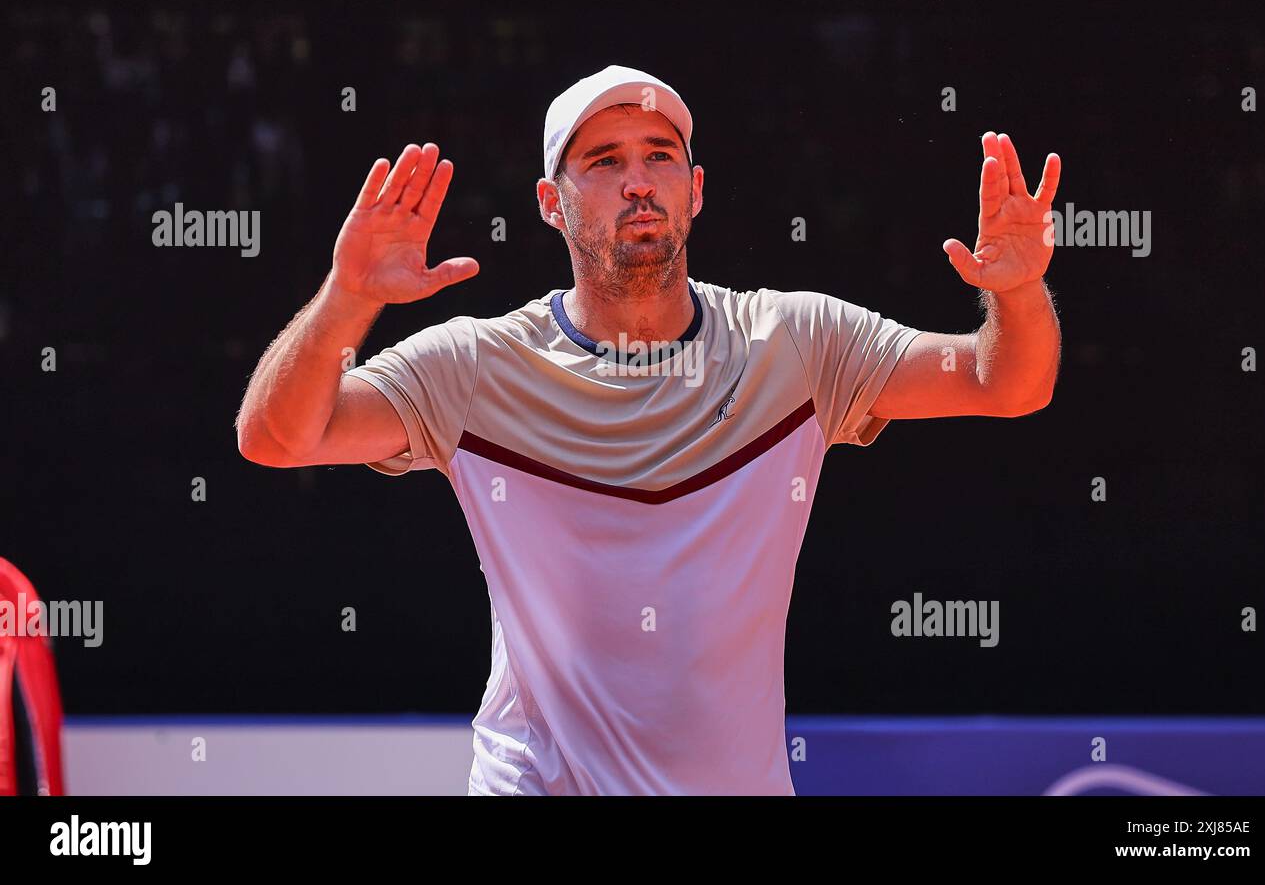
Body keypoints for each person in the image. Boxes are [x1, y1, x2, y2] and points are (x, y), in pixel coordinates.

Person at [235, 65, 1062, 795]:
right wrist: (349, 297)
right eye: (606, 162)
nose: (639, 181)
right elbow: (277, 438)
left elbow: (1006, 383)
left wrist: (1019, 292)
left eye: (659, 156)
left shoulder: (800, 344)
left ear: (695, 191)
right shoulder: (474, 366)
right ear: (550, 205)